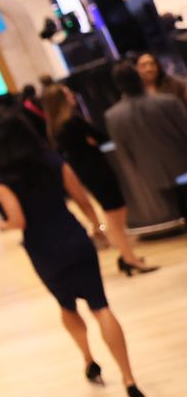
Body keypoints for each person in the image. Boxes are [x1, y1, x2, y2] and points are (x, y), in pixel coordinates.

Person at [0, 115, 150, 397]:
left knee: (66, 305)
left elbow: (18, 221)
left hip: (43, 249)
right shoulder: (51, 159)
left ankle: (89, 360)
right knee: (100, 306)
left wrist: (1, 224)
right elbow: (83, 200)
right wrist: (98, 228)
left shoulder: (1, 177)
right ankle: (129, 380)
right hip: (74, 238)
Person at [40, 84, 157, 275]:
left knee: (113, 213)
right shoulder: (73, 122)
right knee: (116, 213)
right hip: (98, 170)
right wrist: (91, 141)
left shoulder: (57, 128)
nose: (72, 96)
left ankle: (126, 255)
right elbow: (100, 137)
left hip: (87, 172)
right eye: (68, 94)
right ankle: (129, 258)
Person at [105, 62, 187, 206]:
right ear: (139, 77)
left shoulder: (113, 116)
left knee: (178, 209)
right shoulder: (168, 102)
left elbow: (124, 153)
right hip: (182, 166)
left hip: (154, 175)